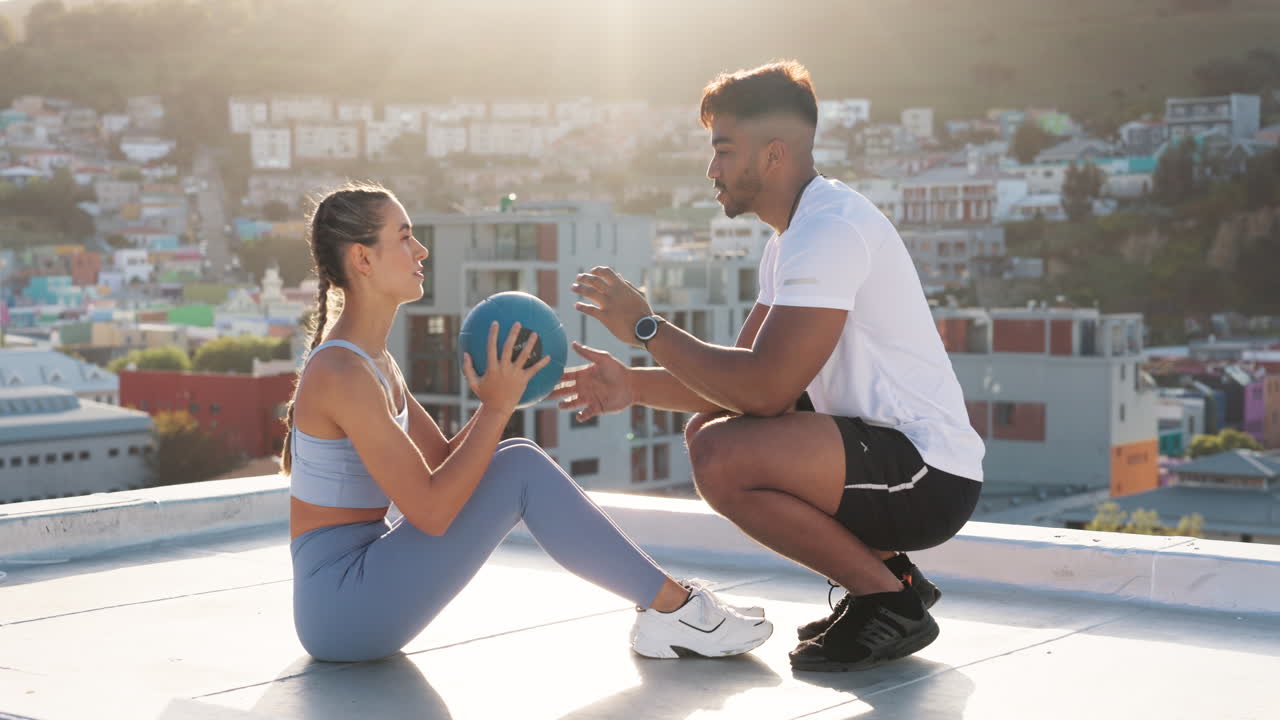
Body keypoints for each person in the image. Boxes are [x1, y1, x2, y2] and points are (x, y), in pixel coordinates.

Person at [552, 61, 985, 672]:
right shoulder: (793, 237)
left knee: (721, 454)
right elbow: (734, 386)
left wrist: (648, 328)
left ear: (774, 155)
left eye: (723, 151)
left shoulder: (829, 230)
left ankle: (888, 601)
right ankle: (896, 581)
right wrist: (631, 385)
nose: (712, 170)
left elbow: (763, 392)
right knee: (709, 432)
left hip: (926, 475)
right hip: (888, 458)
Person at [284, 183, 772, 663]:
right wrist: (496, 409)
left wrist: (501, 398)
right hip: (341, 607)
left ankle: (671, 606)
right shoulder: (342, 373)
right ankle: (675, 610)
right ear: (363, 259)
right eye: (405, 236)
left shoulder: (373, 363)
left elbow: (442, 464)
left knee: (515, 459)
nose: (422, 250)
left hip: (360, 588)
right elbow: (431, 511)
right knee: (519, 467)